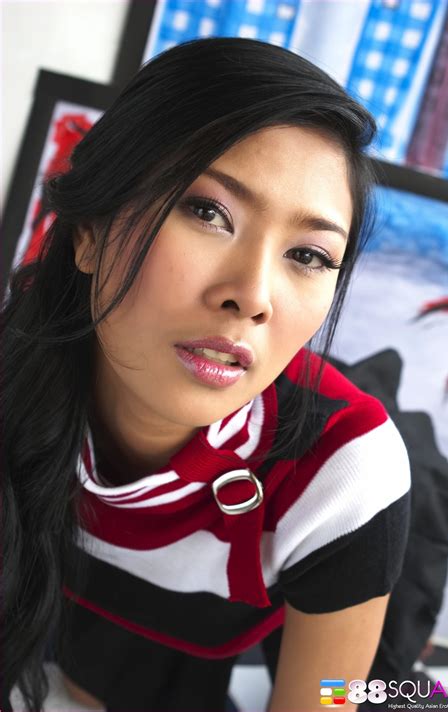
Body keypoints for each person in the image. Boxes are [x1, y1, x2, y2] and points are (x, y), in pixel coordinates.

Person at [1, 37, 411, 712]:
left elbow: (328, 699)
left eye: (309, 255)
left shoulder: (348, 475)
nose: (252, 295)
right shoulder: (16, 374)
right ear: (90, 233)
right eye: (207, 211)